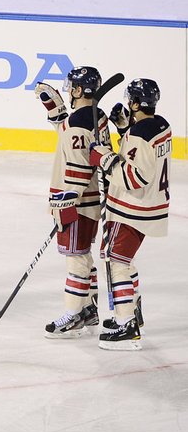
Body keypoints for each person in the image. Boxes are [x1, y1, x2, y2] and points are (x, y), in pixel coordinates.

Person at [88, 78, 170, 351]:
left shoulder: (139, 134)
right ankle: (132, 313)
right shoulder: (160, 126)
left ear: (135, 103)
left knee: (115, 262)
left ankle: (126, 326)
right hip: (150, 207)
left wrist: (104, 157)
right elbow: (140, 156)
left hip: (131, 208)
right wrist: (124, 128)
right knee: (123, 259)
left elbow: (134, 176)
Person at [33, 67, 109, 339]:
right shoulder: (96, 115)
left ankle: (74, 314)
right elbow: (73, 138)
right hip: (89, 201)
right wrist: (57, 113)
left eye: (70, 87)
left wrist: (67, 199)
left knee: (75, 258)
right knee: (82, 255)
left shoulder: (80, 122)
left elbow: (77, 163)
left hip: (76, 203)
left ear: (78, 90)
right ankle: (89, 309)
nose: (67, 90)